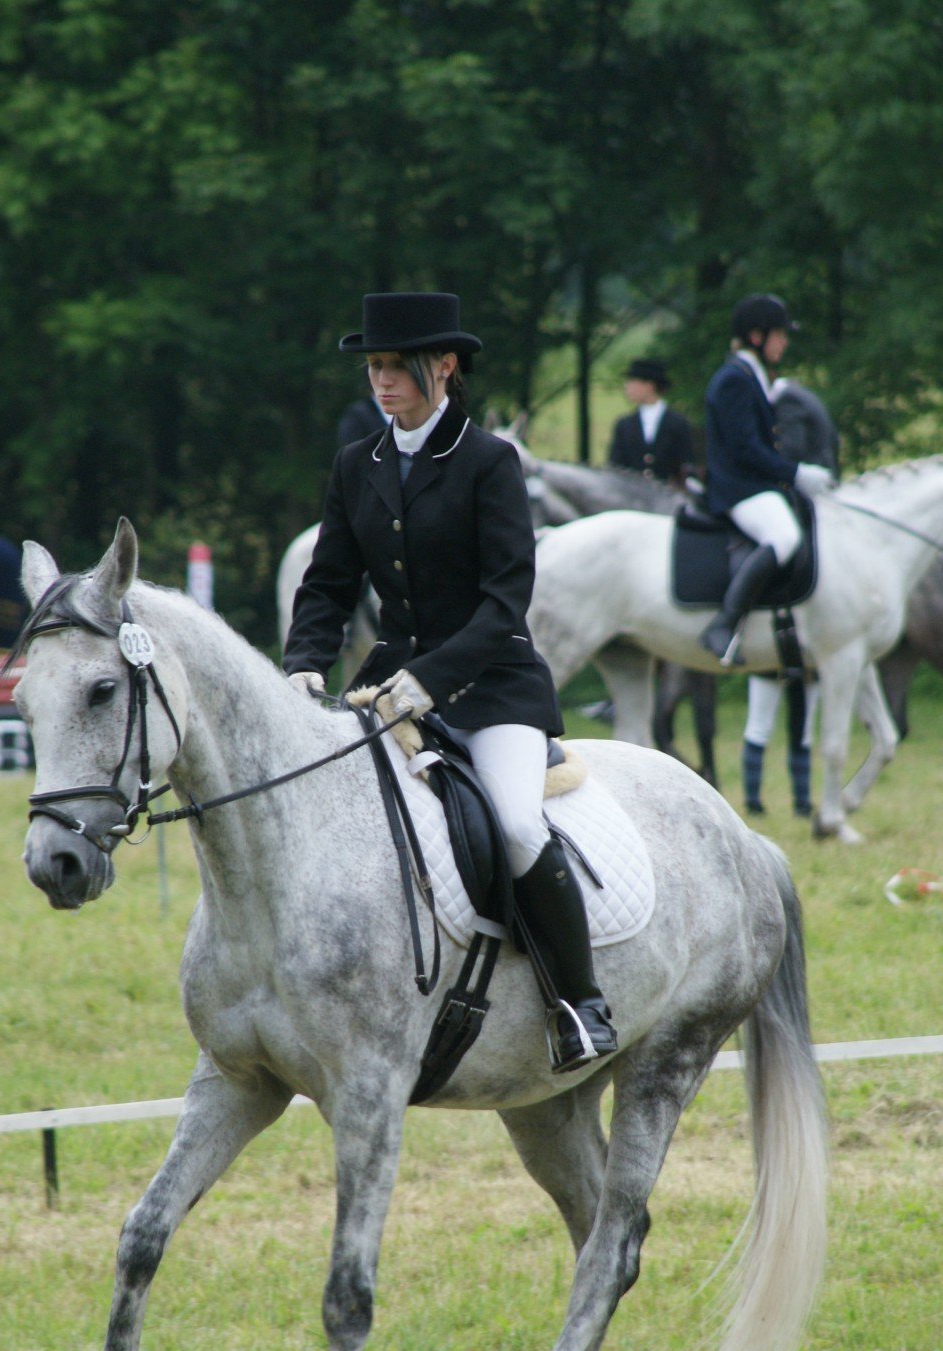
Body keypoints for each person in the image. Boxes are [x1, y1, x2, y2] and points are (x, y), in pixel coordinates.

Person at [283, 292, 617, 1071]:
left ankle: (580, 1002)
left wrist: (431, 679)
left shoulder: (489, 462)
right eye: (373, 367)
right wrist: (303, 664)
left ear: (444, 366)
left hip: (490, 687)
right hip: (387, 688)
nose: (382, 382)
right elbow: (328, 584)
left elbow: (506, 601)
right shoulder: (354, 464)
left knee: (514, 823)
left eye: (397, 367)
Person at [699, 294, 835, 663]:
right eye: (779, 334)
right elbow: (745, 448)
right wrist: (795, 474)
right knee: (784, 536)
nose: (785, 342)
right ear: (757, 336)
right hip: (738, 490)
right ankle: (723, 626)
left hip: (753, 486)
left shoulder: (749, 377)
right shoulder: (734, 380)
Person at [741, 375, 838, 817]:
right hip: (785, 638)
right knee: (770, 718)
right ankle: (769, 800)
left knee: (771, 719)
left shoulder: (791, 405)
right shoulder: (801, 402)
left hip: (792, 631)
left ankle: (780, 800)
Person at [607, 357, 696, 486]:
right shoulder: (624, 425)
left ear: (649, 386)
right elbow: (615, 466)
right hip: (632, 496)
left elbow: (686, 463)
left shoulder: (678, 423)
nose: (627, 387)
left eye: (633, 382)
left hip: (668, 496)